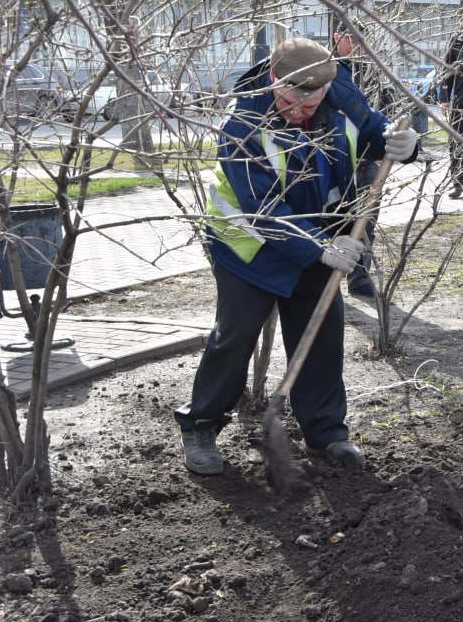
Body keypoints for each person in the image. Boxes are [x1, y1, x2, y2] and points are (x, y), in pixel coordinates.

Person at [175, 37, 420, 476]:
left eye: (311, 105)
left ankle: (327, 433)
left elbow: (375, 134)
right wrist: (321, 247)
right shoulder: (242, 125)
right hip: (249, 246)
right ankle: (201, 426)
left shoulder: (341, 95)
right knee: (235, 336)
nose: (300, 113)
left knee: (322, 336)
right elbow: (263, 209)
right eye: (291, 102)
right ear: (274, 81)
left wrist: (403, 144)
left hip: (319, 243)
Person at [333, 24, 387, 298]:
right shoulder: (327, 70)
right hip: (335, 160)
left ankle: (359, 275)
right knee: (334, 220)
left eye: (361, 40)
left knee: (365, 221)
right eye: (350, 38)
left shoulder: (373, 70)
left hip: (366, 159)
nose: (356, 44)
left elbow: (383, 111)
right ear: (336, 38)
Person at [438, 34, 463, 199]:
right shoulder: (458, 39)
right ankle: (458, 183)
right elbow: (448, 69)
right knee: (456, 142)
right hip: (462, 101)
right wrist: (444, 98)